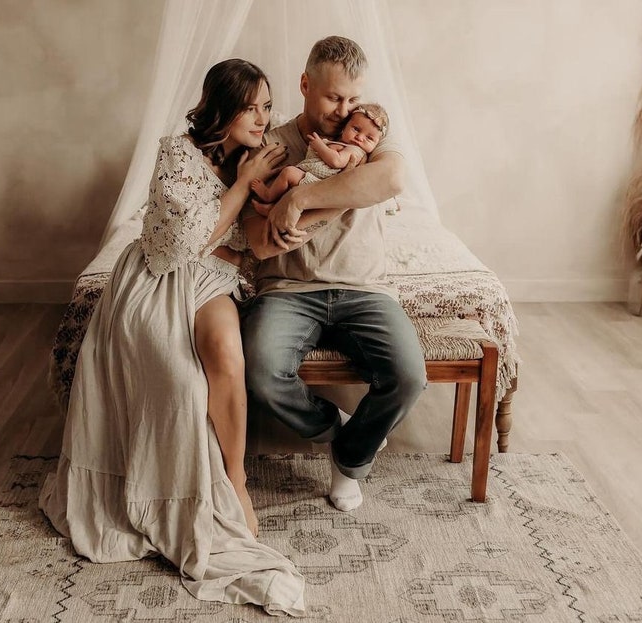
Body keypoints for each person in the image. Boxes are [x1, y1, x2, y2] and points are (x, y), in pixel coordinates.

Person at [39, 59, 305, 616]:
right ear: (222, 108)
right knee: (178, 381)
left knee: (225, 354)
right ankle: (157, 491)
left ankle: (235, 482)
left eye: (267, 106)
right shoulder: (175, 153)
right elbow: (183, 242)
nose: (263, 117)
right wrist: (237, 186)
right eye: (252, 106)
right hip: (157, 273)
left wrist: (282, 218)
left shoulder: (263, 156)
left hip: (218, 274)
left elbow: (245, 242)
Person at [241, 37, 427, 513]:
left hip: (364, 288)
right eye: (333, 97)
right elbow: (260, 240)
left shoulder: (371, 136)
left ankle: (348, 461)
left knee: (407, 376)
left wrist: (300, 201)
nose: (345, 111)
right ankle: (336, 431)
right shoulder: (272, 144)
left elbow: (391, 181)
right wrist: (288, 209)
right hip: (288, 289)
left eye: (352, 98)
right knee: (262, 372)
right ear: (305, 85)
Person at [249, 103, 389, 207]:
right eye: (356, 129)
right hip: (312, 175)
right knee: (288, 185)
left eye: (369, 138)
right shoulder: (342, 142)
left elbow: (336, 161)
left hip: (319, 184)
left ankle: (268, 195)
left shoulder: (355, 151)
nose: (360, 138)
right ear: (345, 127)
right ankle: (271, 209)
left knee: (288, 173)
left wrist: (320, 145)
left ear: (377, 143)